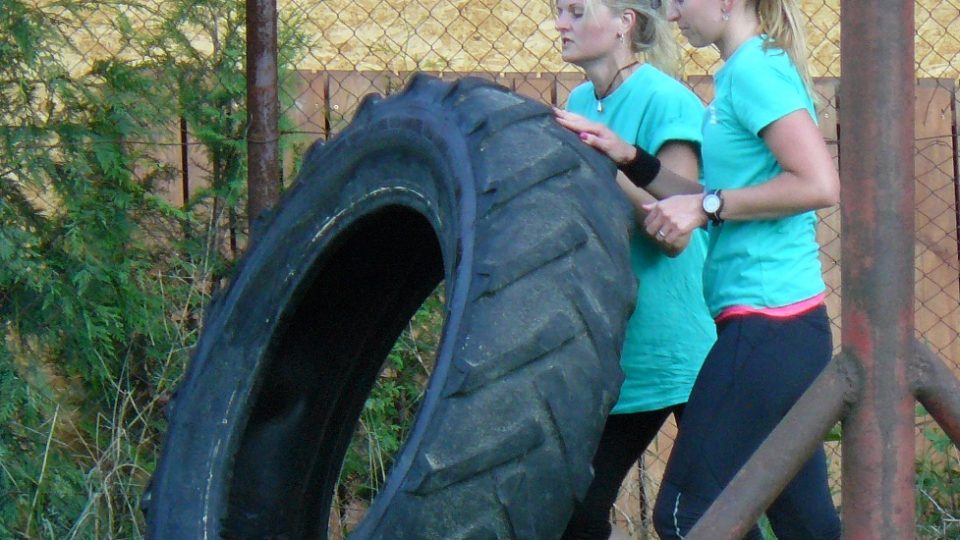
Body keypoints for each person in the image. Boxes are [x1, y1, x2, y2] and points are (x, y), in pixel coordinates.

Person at [560, 0, 843, 537]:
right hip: (780, 328)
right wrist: (630, 158)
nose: (669, 17)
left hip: (770, 326)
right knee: (806, 524)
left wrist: (708, 208)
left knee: (685, 517)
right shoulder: (741, 69)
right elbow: (703, 195)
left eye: (677, 2)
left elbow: (818, 184)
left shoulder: (755, 70)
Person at [552, 1, 716, 538]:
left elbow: (674, 233)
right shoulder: (580, 101)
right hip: (614, 345)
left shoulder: (665, 99)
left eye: (576, 11)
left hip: (676, 345)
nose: (560, 24)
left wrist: (605, 162)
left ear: (626, 21)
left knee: (711, 518)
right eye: (558, 11)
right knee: (574, 511)